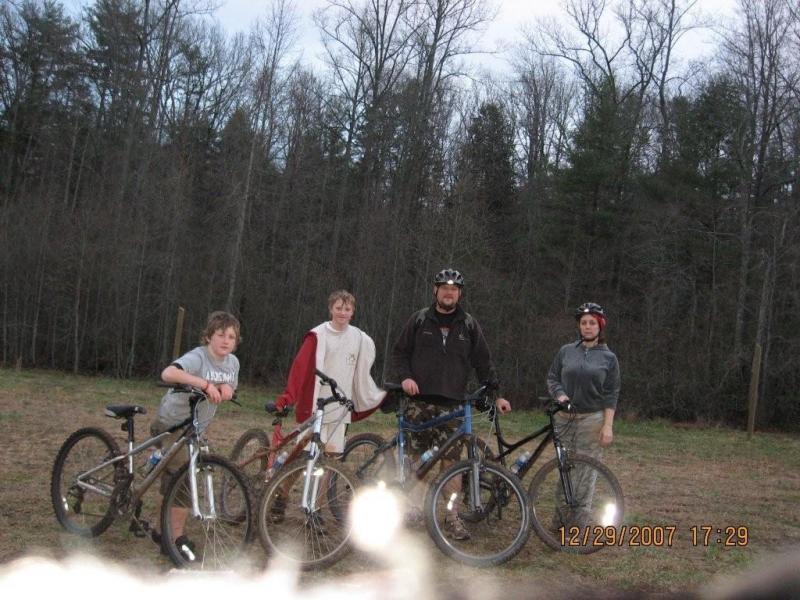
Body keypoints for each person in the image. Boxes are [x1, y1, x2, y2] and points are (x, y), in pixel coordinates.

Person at [390, 268, 511, 540]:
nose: (449, 292)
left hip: (453, 405)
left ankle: (451, 515)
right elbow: (399, 353)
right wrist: (406, 377)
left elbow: (484, 362)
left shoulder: (468, 325)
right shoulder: (419, 320)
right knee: (417, 459)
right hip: (419, 403)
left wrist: (497, 395)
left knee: (451, 464)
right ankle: (413, 510)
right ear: (435, 291)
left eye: (454, 289)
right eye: (444, 287)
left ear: (460, 294)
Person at [149, 310, 241, 561]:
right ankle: (174, 537)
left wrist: (226, 389)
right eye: (220, 335)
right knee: (183, 479)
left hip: (196, 428)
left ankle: (160, 529)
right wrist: (204, 384)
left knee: (177, 477)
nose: (225, 341)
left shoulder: (232, 363)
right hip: (172, 422)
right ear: (209, 336)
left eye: (231, 337)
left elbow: (230, 384)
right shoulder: (198, 357)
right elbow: (168, 374)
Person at [274, 290, 386, 455]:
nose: (343, 312)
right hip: (315, 405)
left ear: (352, 312)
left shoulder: (361, 339)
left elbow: (362, 375)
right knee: (303, 455)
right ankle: (286, 480)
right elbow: (300, 368)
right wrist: (289, 397)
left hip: (340, 406)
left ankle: (323, 482)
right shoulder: (317, 335)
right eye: (339, 308)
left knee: (331, 457)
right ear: (331, 309)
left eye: (347, 309)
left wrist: (378, 396)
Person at [546, 302, 620, 528]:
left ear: (600, 327)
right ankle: (560, 517)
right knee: (564, 467)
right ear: (579, 326)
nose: (587, 327)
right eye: (584, 323)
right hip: (564, 419)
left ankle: (579, 521)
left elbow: (611, 393)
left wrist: (608, 426)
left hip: (592, 419)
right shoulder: (566, 351)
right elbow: (552, 377)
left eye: (592, 323)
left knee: (586, 471)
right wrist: (559, 395)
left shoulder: (609, 359)